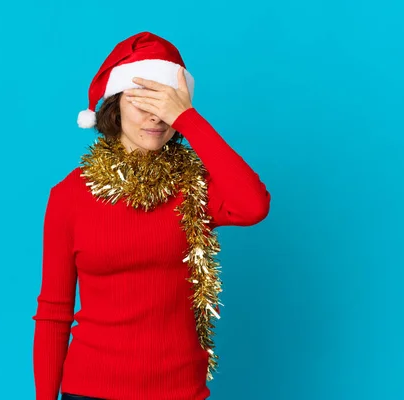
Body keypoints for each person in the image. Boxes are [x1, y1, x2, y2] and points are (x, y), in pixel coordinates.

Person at [31, 31, 271, 400]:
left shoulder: (195, 186)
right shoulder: (69, 196)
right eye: (141, 102)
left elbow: (253, 206)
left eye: (166, 105)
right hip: (91, 389)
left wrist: (189, 120)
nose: (156, 118)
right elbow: (53, 311)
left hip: (179, 390)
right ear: (114, 106)